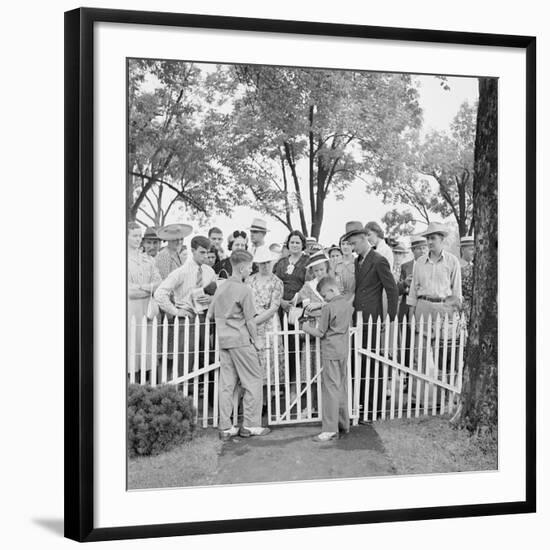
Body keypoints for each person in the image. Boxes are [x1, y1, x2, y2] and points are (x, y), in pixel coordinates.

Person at [207, 249, 271, 441]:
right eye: (250, 267)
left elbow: (210, 313)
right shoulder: (244, 290)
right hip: (241, 340)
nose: (251, 270)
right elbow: (251, 321)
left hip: (224, 340)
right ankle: (251, 425)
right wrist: (257, 340)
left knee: (227, 384)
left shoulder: (221, 287)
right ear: (242, 268)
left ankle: (226, 426)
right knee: (253, 380)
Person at [343, 221, 398, 420]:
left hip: (372, 319)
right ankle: (361, 404)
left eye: (355, 243)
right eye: (350, 243)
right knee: (359, 362)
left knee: (372, 363)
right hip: (357, 319)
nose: (353, 247)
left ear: (365, 237)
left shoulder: (379, 260)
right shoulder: (358, 262)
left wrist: (390, 318)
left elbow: (392, 290)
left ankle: (374, 408)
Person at [407, 222, 462, 408]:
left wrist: (452, 314)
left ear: (442, 240)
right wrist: (411, 314)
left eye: (433, 238)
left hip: (443, 309)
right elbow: (413, 291)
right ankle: (415, 399)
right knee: (418, 356)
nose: (430, 242)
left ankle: (444, 399)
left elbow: (457, 291)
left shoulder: (452, 261)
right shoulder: (419, 263)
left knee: (444, 359)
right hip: (423, 306)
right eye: (428, 238)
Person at [154, 236, 216, 377]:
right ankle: (183, 392)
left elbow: (216, 294)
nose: (205, 256)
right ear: (193, 251)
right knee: (185, 360)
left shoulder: (209, 272)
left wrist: (211, 298)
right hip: (187, 319)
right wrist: (176, 311)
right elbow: (159, 294)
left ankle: (200, 391)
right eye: (202, 252)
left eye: (207, 252)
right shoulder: (181, 272)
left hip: (205, 319)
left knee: (205, 357)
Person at [302, 276, 353, 442]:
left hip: (330, 351)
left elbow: (320, 332)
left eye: (324, 295)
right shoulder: (347, 304)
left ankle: (330, 429)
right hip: (343, 350)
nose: (323, 299)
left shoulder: (327, 308)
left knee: (330, 389)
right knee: (341, 386)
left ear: (331, 290)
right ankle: (344, 423)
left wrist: (306, 328)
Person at [247, 247, 284, 397]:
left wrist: (255, 321)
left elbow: (274, 307)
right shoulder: (250, 279)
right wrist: (251, 319)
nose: (265, 266)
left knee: (270, 358)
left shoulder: (277, 282)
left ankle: (268, 397)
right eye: (262, 263)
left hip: (268, 322)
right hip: (252, 317)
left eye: (267, 262)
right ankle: (255, 395)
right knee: (254, 358)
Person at [127, 222, 161, 375]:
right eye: (134, 235)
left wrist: (141, 288)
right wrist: (148, 289)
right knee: (131, 343)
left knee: (146, 345)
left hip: (146, 309)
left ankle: (145, 375)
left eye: (139, 236)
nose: (137, 239)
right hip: (130, 309)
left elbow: (159, 283)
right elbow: (128, 291)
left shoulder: (148, 260)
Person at [397, 236, 427, 322]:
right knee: (405, 334)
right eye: (419, 248)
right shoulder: (405, 266)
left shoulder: (432, 267)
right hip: (406, 307)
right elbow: (398, 291)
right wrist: (405, 283)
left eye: (424, 248)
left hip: (423, 307)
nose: (422, 251)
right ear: (413, 250)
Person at [459, 235, 475, 325]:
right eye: (471, 249)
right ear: (462, 250)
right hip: (462, 309)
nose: (474, 252)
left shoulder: (476, 267)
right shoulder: (457, 267)